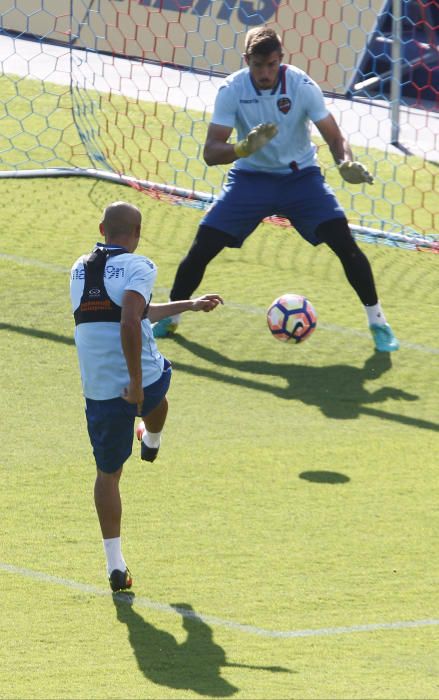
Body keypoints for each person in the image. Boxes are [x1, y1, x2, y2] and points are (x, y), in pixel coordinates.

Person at [152, 26, 399, 353]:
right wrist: (242, 149)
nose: (265, 73)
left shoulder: (300, 85)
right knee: (203, 246)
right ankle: (172, 316)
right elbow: (211, 152)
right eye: (258, 66)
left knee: (344, 242)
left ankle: (378, 323)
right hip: (250, 179)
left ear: (281, 60)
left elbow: (335, 137)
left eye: (271, 65)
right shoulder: (232, 90)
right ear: (246, 61)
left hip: (301, 179)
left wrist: (345, 163)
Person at [70, 201, 223, 592]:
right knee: (160, 389)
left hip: (98, 389)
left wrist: (188, 304)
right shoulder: (141, 266)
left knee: (108, 475)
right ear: (136, 235)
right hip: (139, 380)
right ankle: (152, 437)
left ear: (102, 228)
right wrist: (136, 383)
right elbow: (129, 320)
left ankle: (115, 566)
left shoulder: (78, 269)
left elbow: (134, 312)